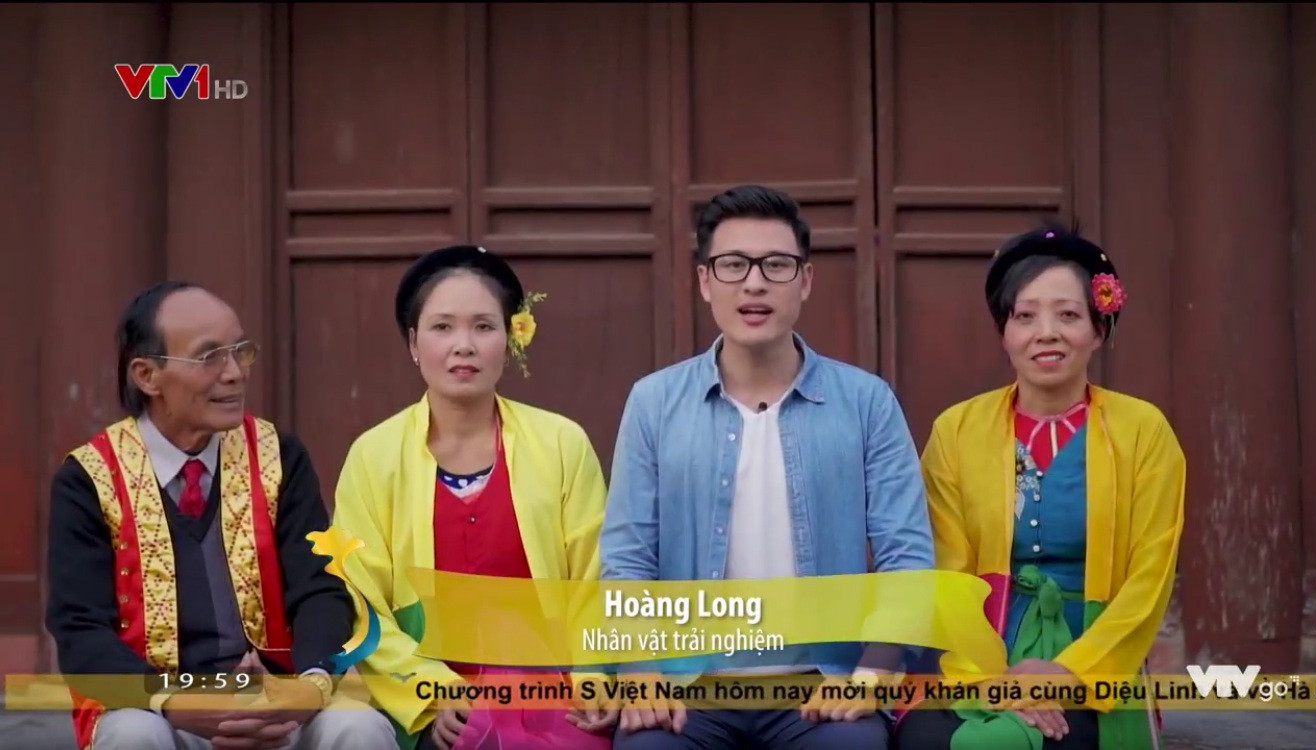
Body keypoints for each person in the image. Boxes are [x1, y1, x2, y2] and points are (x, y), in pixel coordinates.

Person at [599, 185, 936, 749]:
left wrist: (871, 676)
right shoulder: (654, 402)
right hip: (691, 687)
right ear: (705, 281)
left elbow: (906, 557)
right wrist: (638, 672)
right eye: (733, 265)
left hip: (820, 684)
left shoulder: (866, 402)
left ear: (805, 280)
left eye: (776, 265)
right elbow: (627, 556)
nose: (754, 284)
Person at [45, 282, 399, 750]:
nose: (234, 373)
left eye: (240, 352)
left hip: (277, 705)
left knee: (358, 727)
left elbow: (320, 589)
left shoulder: (278, 457)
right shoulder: (89, 479)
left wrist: (308, 686)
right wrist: (178, 700)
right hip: (161, 710)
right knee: (133, 734)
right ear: (147, 375)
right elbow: (80, 629)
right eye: (209, 357)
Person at [895, 225, 1186, 749]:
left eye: (1068, 315)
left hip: (1095, 658)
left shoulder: (1144, 431)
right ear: (1005, 332)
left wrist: (1067, 673)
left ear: (1099, 328)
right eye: (1025, 316)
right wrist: (992, 678)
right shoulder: (957, 430)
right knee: (922, 738)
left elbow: (1150, 579)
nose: (1046, 333)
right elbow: (946, 573)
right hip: (977, 658)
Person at [330, 245, 615, 750]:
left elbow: (597, 579)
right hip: (430, 710)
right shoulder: (374, 457)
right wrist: (433, 694)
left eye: (483, 327)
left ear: (511, 339)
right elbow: (361, 603)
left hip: (554, 700)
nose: (464, 346)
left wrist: (591, 677)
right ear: (414, 342)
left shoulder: (561, 444)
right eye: (442, 327)